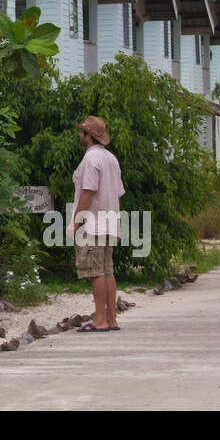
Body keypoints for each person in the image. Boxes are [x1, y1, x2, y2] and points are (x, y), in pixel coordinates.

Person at [67, 115, 124, 333]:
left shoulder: (90, 159)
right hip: (110, 222)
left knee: (95, 271)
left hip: (93, 224)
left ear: (89, 136)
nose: (79, 135)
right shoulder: (111, 159)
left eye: (82, 132)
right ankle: (111, 318)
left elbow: (87, 191)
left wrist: (76, 221)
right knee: (108, 271)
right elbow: (118, 193)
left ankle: (100, 320)